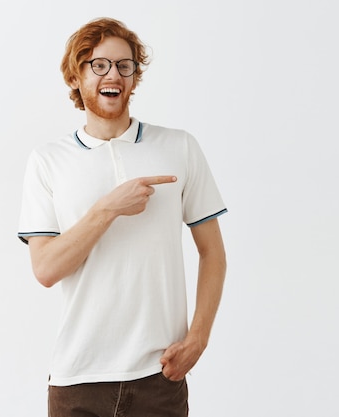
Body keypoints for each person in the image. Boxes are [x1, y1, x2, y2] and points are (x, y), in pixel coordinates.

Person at [17, 17, 227, 417]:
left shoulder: (179, 147)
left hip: (160, 377)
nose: (113, 74)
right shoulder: (48, 161)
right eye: (98, 65)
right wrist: (108, 208)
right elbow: (45, 269)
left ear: (133, 77)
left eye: (124, 65)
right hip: (77, 381)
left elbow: (213, 253)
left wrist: (198, 338)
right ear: (76, 77)